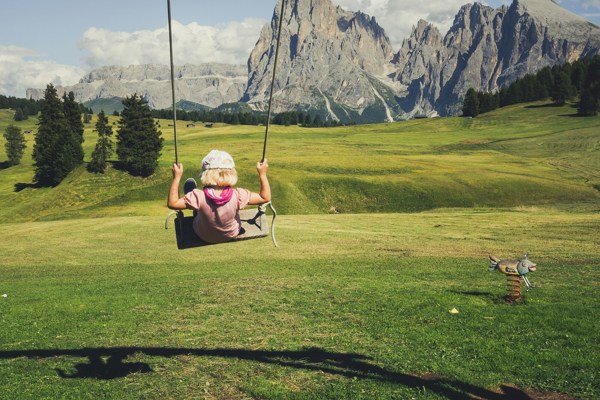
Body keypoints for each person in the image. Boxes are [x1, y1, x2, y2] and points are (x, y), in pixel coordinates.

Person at [167, 149, 271, 244]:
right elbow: (264, 197)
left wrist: (177, 177)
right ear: (232, 173)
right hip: (231, 234)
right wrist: (262, 174)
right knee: (227, 208)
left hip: (203, 235)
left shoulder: (199, 196)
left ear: (205, 173)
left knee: (198, 203)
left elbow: (173, 203)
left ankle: (193, 202)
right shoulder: (238, 195)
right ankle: (200, 208)